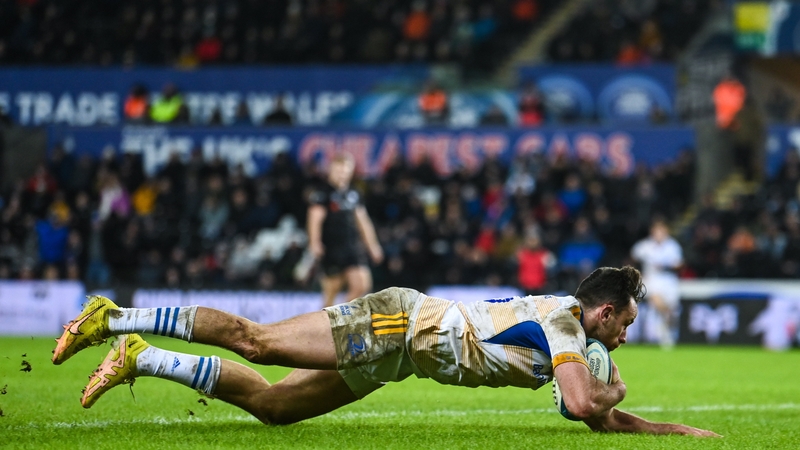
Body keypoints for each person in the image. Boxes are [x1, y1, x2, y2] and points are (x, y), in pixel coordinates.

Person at [51, 266, 718, 436]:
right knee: (259, 342)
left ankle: (141, 356)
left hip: (402, 358)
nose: (626, 336)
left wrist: (675, 432)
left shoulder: (575, 333)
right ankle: (115, 316)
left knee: (276, 408)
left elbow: (600, 419)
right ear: (604, 312)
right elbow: (583, 405)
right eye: (626, 324)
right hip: (399, 324)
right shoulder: (567, 326)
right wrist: (614, 390)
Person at [307, 154, 383, 307]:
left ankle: (341, 314)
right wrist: (314, 242)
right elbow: (315, 218)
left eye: (345, 171)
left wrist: (373, 246)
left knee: (362, 284)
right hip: (331, 246)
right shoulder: (323, 193)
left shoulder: (354, 193)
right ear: (330, 170)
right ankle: (328, 320)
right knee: (332, 290)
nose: (342, 174)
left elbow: (363, 222)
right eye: (338, 170)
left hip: (351, 246)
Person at [630, 218, 683, 348]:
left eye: (661, 231)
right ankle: (662, 330)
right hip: (652, 279)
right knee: (657, 300)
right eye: (656, 231)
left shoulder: (672, 246)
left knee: (671, 310)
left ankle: (667, 334)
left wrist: (665, 266)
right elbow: (633, 258)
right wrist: (638, 272)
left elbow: (679, 264)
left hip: (669, 280)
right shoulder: (645, 246)